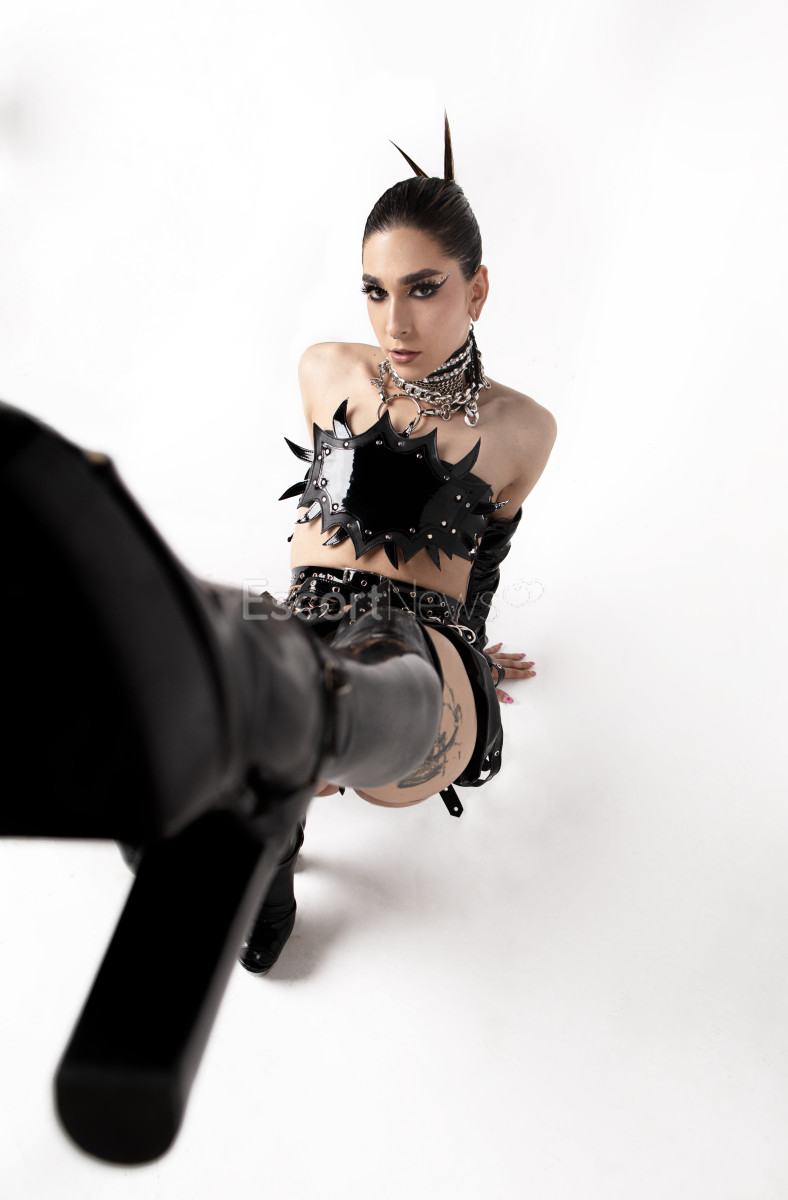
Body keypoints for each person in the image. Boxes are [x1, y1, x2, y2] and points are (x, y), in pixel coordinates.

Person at [238, 116, 557, 972]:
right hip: (304, 626)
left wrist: (473, 650)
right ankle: (268, 831)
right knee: (235, 631)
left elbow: (484, 565)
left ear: (476, 290)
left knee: (375, 658)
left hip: (416, 658)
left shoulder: (521, 430)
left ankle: (272, 786)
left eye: (423, 288)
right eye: (376, 292)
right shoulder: (325, 371)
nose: (396, 321)